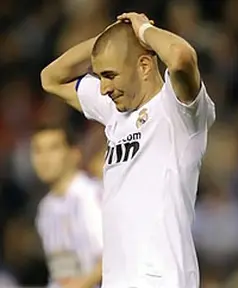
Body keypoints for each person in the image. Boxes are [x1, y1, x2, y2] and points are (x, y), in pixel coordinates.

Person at [40, 12, 216, 288]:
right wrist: (111, 37)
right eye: (99, 77)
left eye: (110, 75)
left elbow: (181, 56)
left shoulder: (179, 110)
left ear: (145, 65)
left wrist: (142, 30)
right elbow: (50, 78)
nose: (104, 88)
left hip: (164, 280)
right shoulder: (114, 112)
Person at [31, 124, 103, 288]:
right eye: (37, 150)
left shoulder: (90, 196)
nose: (44, 158)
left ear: (74, 153)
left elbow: (113, 255)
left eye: (53, 148)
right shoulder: (45, 208)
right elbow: (61, 271)